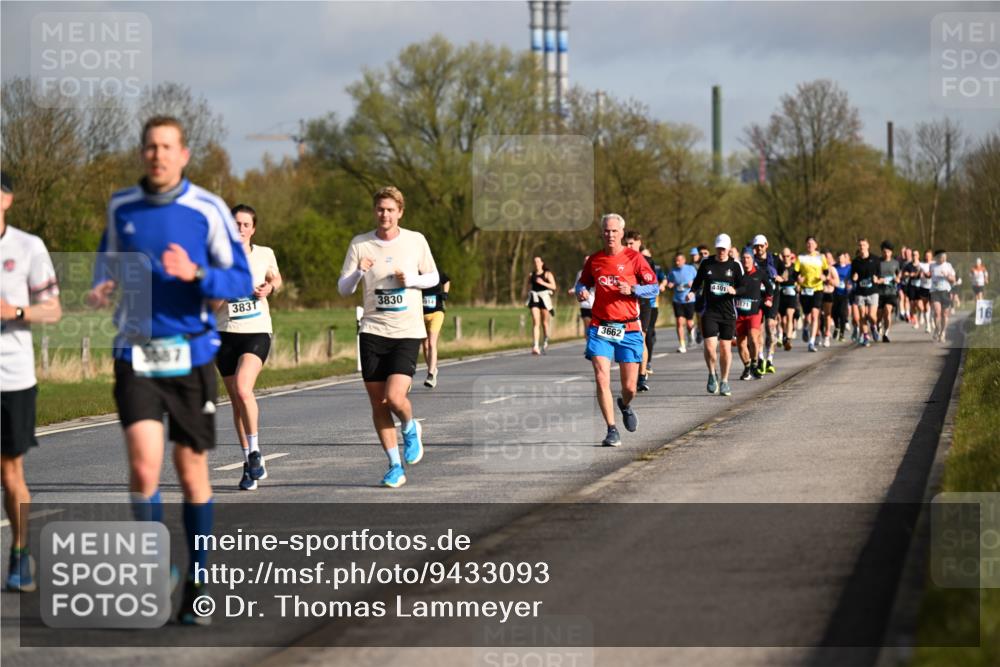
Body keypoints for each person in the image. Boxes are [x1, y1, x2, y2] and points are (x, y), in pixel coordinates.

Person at [87, 117, 253, 624]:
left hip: (192, 354)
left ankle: (198, 578)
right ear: (142, 154)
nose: (157, 155)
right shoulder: (122, 205)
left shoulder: (207, 208)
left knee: (190, 472)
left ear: (183, 154)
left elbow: (241, 277)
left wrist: (197, 273)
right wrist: (102, 285)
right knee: (141, 467)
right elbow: (106, 257)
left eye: (167, 147)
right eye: (150, 147)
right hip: (134, 352)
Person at [338, 186, 437, 487]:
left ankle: (409, 425)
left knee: (394, 397)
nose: (385, 214)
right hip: (372, 331)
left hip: (407, 332)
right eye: (380, 209)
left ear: (400, 212)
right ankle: (395, 465)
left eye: (390, 210)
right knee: (379, 405)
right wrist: (358, 272)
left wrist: (414, 281)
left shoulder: (415, 240)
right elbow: (344, 288)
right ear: (375, 211)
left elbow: (433, 276)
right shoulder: (360, 244)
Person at [0, 171, 62, 592]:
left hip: (11, 378)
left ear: (7, 199)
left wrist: (15, 312)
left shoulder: (27, 246)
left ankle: (20, 551)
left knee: (9, 472)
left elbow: (53, 311)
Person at [213, 204, 282, 491]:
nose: (240, 229)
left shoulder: (265, 254)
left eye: (245, 224)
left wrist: (270, 288)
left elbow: (276, 279)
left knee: (244, 389)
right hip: (225, 334)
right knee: (236, 401)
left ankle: (255, 451)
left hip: (256, 331)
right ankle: (248, 462)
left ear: (253, 229)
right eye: (235, 224)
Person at [575, 214, 658, 446]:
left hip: (629, 328)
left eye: (614, 231)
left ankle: (625, 404)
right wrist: (581, 290)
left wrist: (633, 290)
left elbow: (654, 289)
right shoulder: (594, 260)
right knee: (601, 376)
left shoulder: (635, 258)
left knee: (630, 387)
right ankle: (611, 429)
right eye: (606, 231)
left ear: (622, 233)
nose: (610, 235)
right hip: (601, 326)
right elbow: (583, 282)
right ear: (601, 233)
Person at [691, 234, 743, 397]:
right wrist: (692, 292)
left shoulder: (735, 266)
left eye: (724, 249)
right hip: (710, 312)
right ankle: (712, 374)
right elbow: (698, 282)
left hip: (728, 313)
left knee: (725, 349)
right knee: (710, 347)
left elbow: (744, 286)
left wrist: (735, 290)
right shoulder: (707, 263)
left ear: (728, 249)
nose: (721, 251)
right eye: (718, 248)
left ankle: (725, 381)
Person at [735, 248, 773, 380]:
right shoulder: (737, 274)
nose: (746, 260)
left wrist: (768, 299)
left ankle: (755, 365)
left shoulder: (760, 273)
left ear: (752, 259)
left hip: (755, 311)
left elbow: (769, 287)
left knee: (753, 336)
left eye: (748, 258)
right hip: (739, 313)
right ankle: (747, 367)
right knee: (741, 343)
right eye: (744, 258)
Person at [794, 236, 829, 352]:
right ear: (806, 245)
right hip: (805, 289)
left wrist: (823, 277)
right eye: (808, 244)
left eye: (812, 243)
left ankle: (812, 341)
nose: (810, 246)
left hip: (817, 289)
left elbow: (826, 272)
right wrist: (798, 279)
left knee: (815, 315)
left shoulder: (821, 257)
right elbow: (795, 273)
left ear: (816, 245)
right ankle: (805, 328)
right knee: (808, 316)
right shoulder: (801, 258)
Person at [752, 235, 780, 373]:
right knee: (759, 329)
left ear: (766, 245)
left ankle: (770, 358)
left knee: (770, 327)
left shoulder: (774, 259)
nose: (759, 248)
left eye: (761, 246)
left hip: (773, 296)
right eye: (756, 246)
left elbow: (786, 274)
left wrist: (780, 277)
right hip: (757, 297)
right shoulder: (751, 261)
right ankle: (761, 358)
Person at [421, 269, 450, 388]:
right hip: (421, 314)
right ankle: (433, 368)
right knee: (425, 345)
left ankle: (431, 375)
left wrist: (445, 293)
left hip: (437, 312)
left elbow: (447, 280)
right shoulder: (416, 273)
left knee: (432, 343)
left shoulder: (436, 271)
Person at [850, 238, 881, 347]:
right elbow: (852, 277)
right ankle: (866, 336)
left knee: (871, 315)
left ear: (868, 246)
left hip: (873, 291)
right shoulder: (855, 261)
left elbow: (880, 275)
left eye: (864, 245)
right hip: (860, 292)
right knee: (862, 315)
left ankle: (874, 326)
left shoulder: (876, 259)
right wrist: (854, 278)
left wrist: (877, 279)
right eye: (860, 245)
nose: (862, 247)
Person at [666, 252, 698, 354]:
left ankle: (690, 332)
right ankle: (682, 345)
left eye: (679, 260)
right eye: (676, 260)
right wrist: (669, 284)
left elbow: (698, 280)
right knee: (679, 322)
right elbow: (668, 281)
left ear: (684, 260)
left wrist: (693, 283)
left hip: (689, 300)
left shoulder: (691, 269)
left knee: (689, 323)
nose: (677, 262)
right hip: (677, 300)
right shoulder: (672, 272)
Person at [525, 256, 557, 355]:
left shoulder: (547, 274)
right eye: (535, 262)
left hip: (544, 299)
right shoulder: (531, 275)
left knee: (544, 322)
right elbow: (528, 287)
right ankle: (535, 346)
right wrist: (528, 295)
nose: (536, 263)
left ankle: (546, 340)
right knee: (536, 321)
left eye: (538, 261)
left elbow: (554, 286)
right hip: (534, 298)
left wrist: (543, 283)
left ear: (542, 263)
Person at [929, 250, 957, 343]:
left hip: (946, 291)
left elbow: (953, 280)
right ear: (937, 257)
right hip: (935, 291)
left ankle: (943, 332)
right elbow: (929, 275)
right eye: (942, 257)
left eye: (945, 257)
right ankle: (937, 329)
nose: (944, 258)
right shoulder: (932, 265)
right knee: (937, 313)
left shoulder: (948, 266)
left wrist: (947, 276)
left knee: (945, 314)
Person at [876, 241, 900, 343]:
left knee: (887, 311)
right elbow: (874, 276)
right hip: (879, 292)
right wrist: (878, 280)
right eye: (884, 252)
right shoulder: (878, 262)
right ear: (881, 252)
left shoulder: (895, 263)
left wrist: (897, 279)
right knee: (878, 316)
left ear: (891, 252)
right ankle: (878, 325)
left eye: (888, 252)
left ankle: (886, 333)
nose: (886, 254)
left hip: (891, 292)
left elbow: (898, 275)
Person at [776, 247, 798, 351]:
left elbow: (799, 279)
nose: (786, 258)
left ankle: (788, 339)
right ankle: (784, 334)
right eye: (783, 256)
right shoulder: (778, 268)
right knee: (782, 320)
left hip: (791, 295)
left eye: (788, 256)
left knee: (790, 315)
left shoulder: (794, 268)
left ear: (791, 256)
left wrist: (799, 283)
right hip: (781, 294)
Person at [820, 250, 839, 347]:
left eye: (828, 257)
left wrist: (827, 279)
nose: (827, 259)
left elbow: (837, 283)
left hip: (828, 293)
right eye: (825, 257)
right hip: (818, 293)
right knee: (817, 315)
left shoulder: (832, 269)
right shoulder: (818, 268)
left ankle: (827, 334)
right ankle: (818, 333)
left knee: (827, 315)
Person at [833, 251, 852, 342]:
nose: (840, 259)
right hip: (835, 292)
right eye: (839, 257)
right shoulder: (834, 267)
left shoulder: (849, 268)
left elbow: (852, 278)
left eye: (842, 257)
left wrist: (850, 284)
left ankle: (842, 334)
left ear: (845, 258)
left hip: (844, 293)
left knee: (843, 313)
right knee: (834, 312)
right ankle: (837, 326)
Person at [568, 262, 595, 327]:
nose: (586, 262)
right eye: (585, 261)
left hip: (595, 304)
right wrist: (573, 290)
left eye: (588, 261)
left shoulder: (597, 271)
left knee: (595, 327)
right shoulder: (580, 273)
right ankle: (587, 337)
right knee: (587, 326)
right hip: (585, 304)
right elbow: (577, 286)